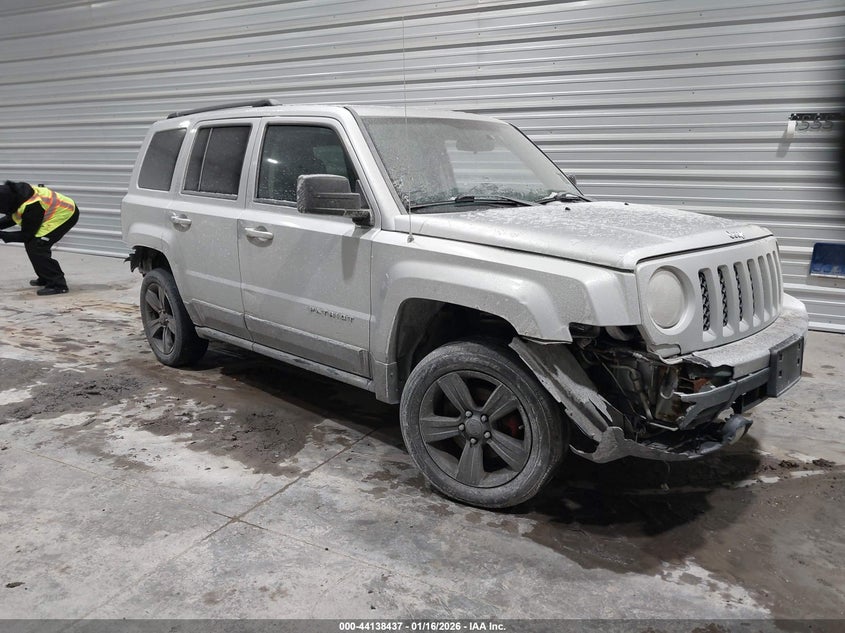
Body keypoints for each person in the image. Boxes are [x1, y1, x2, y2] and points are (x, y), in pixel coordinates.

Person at [0, 180, 79, 295]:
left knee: (38, 246)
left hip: (65, 215)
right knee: (32, 245)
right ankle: (45, 277)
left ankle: (58, 284)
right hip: (51, 212)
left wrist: (2, 235)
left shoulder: (32, 205)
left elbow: (26, 235)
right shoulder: (16, 196)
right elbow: (13, 217)